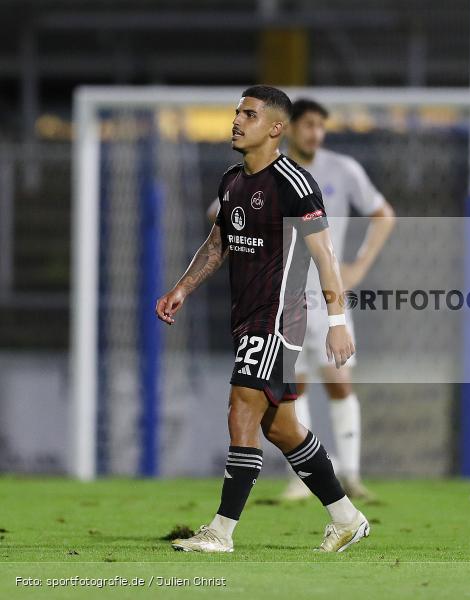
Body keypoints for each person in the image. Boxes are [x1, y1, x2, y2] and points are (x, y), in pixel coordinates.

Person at [156, 85, 369, 553]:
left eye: (248, 115)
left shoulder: (294, 184)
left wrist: (336, 321)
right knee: (281, 428)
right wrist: (182, 289)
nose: (236, 121)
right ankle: (347, 517)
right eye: (236, 113)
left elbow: (326, 255)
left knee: (242, 408)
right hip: (247, 316)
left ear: (275, 128)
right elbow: (217, 245)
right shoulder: (232, 180)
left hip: (279, 317)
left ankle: (221, 531)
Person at [281, 98, 396, 502]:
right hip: (284, 298)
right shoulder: (267, 170)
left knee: (339, 382)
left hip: (329, 294)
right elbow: (220, 213)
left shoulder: (343, 170)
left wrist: (360, 265)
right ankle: (302, 477)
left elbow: (384, 214)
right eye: (308, 124)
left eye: (320, 126)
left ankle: (350, 474)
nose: (315, 133)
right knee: (294, 387)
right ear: (290, 127)